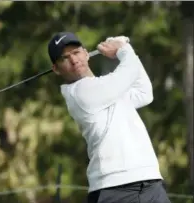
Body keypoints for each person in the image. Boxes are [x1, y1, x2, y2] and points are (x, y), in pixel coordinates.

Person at [47, 32, 171, 203]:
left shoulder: (107, 88)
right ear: (56, 69)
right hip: (115, 188)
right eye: (64, 58)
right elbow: (127, 73)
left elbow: (144, 93)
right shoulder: (80, 92)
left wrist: (125, 49)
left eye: (76, 53)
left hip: (150, 183)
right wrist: (123, 48)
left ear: (85, 53)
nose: (74, 60)